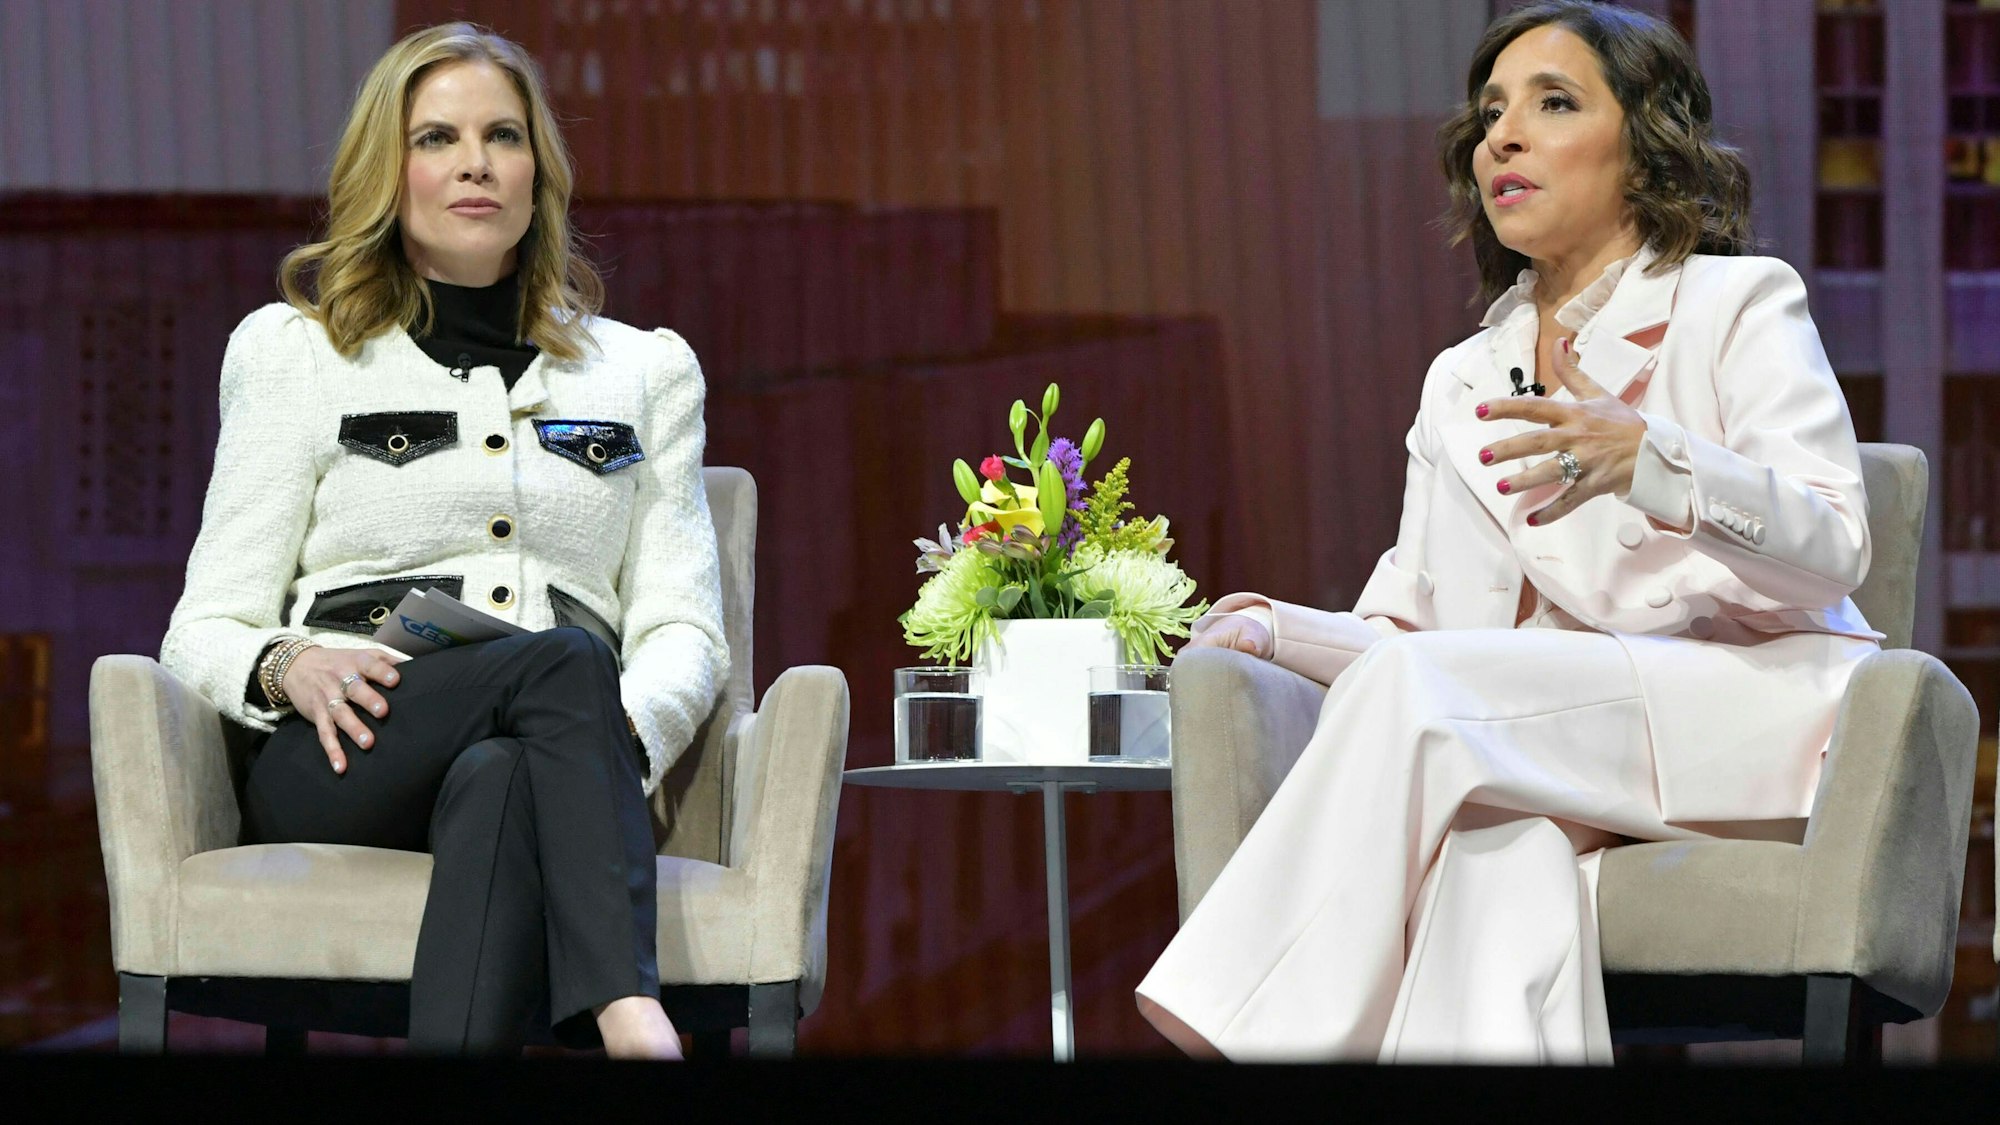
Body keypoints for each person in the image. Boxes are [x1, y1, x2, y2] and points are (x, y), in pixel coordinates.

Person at [1134, 1, 1880, 1063]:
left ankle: (1241, 1028)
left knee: (1426, 712)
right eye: (1489, 114)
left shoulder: (1735, 304)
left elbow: (1836, 547)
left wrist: (1654, 462)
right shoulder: (1462, 380)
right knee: (1492, 863)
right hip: (1539, 741)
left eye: (1553, 103)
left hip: (1743, 721)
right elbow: (1416, 640)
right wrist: (1268, 629)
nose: (1502, 137)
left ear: (1644, 151)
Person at [159, 23, 727, 1058]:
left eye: (501, 135)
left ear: (535, 173)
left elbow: (684, 625)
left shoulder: (643, 373)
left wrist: (603, 753)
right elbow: (202, 627)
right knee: (565, 662)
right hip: (351, 750)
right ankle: (626, 1010)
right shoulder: (298, 355)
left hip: (543, 751)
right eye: (436, 138)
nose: (473, 161)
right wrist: (289, 664)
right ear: (391, 171)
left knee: (507, 773)